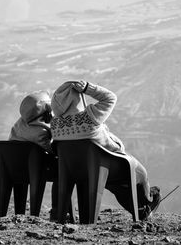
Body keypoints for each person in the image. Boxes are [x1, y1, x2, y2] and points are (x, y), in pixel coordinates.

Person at [50, 80, 161, 220]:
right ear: (78, 98)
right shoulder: (89, 116)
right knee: (141, 174)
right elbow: (110, 97)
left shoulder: (55, 124)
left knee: (116, 185)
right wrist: (87, 88)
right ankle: (149, 200)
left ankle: (141, 210)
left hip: (75, 169)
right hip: (108, 163)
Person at [9, 91, 58, 220]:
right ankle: (57, 210)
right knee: (61, 173)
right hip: (34, 170)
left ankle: (19, 212)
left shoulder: (17, 125)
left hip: (15, 168)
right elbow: (51, 151)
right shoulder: (41, 132)